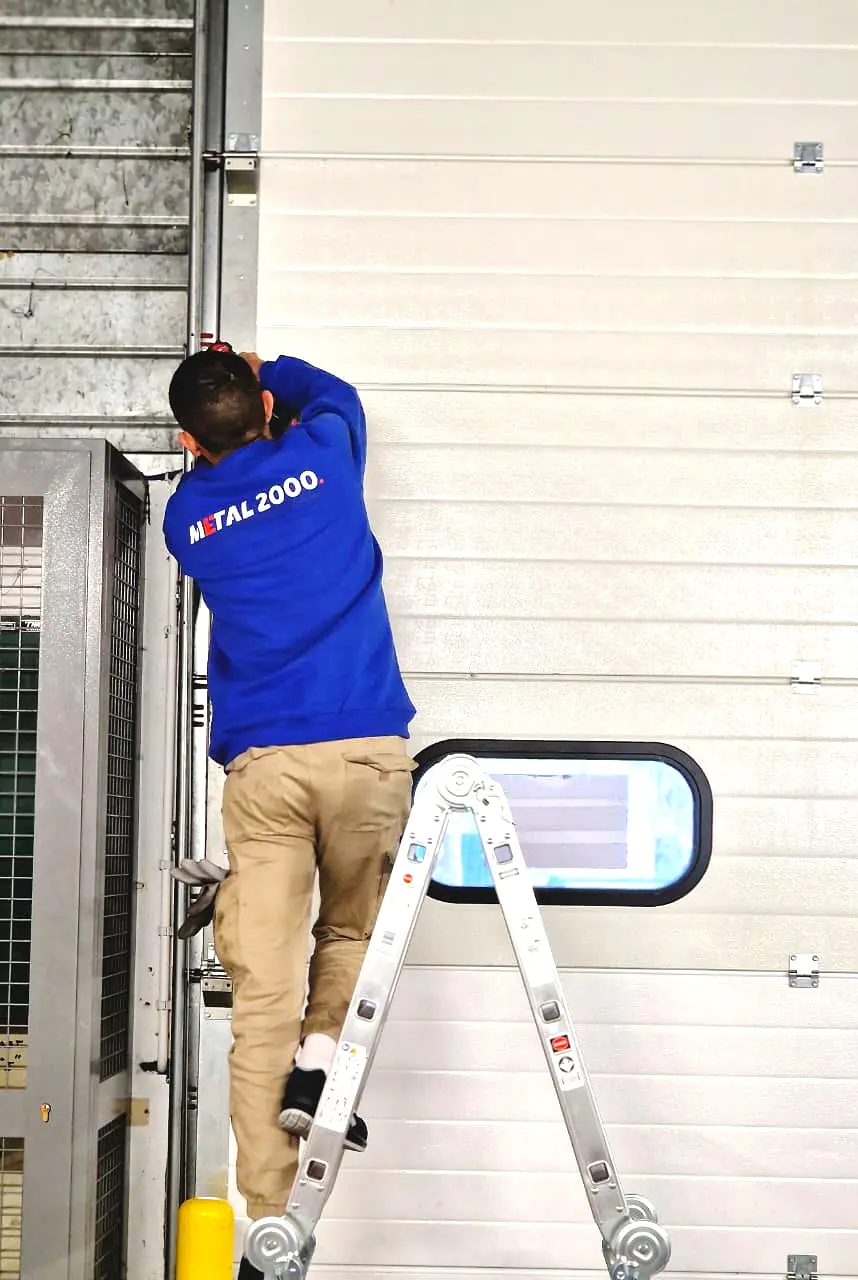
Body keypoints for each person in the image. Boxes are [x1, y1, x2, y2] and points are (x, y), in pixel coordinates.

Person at [163, 348, 417, 1278]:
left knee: (261, 991)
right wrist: (262, 365)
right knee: (350, 930)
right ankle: (321, 1058)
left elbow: (225, 463)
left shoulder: (187, 519)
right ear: (268, 404)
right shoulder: (325, 449)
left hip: (266, 768)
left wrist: (226, 430)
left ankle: (270, 1224)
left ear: (187, 442)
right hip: (366, 754)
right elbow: (334, 392)